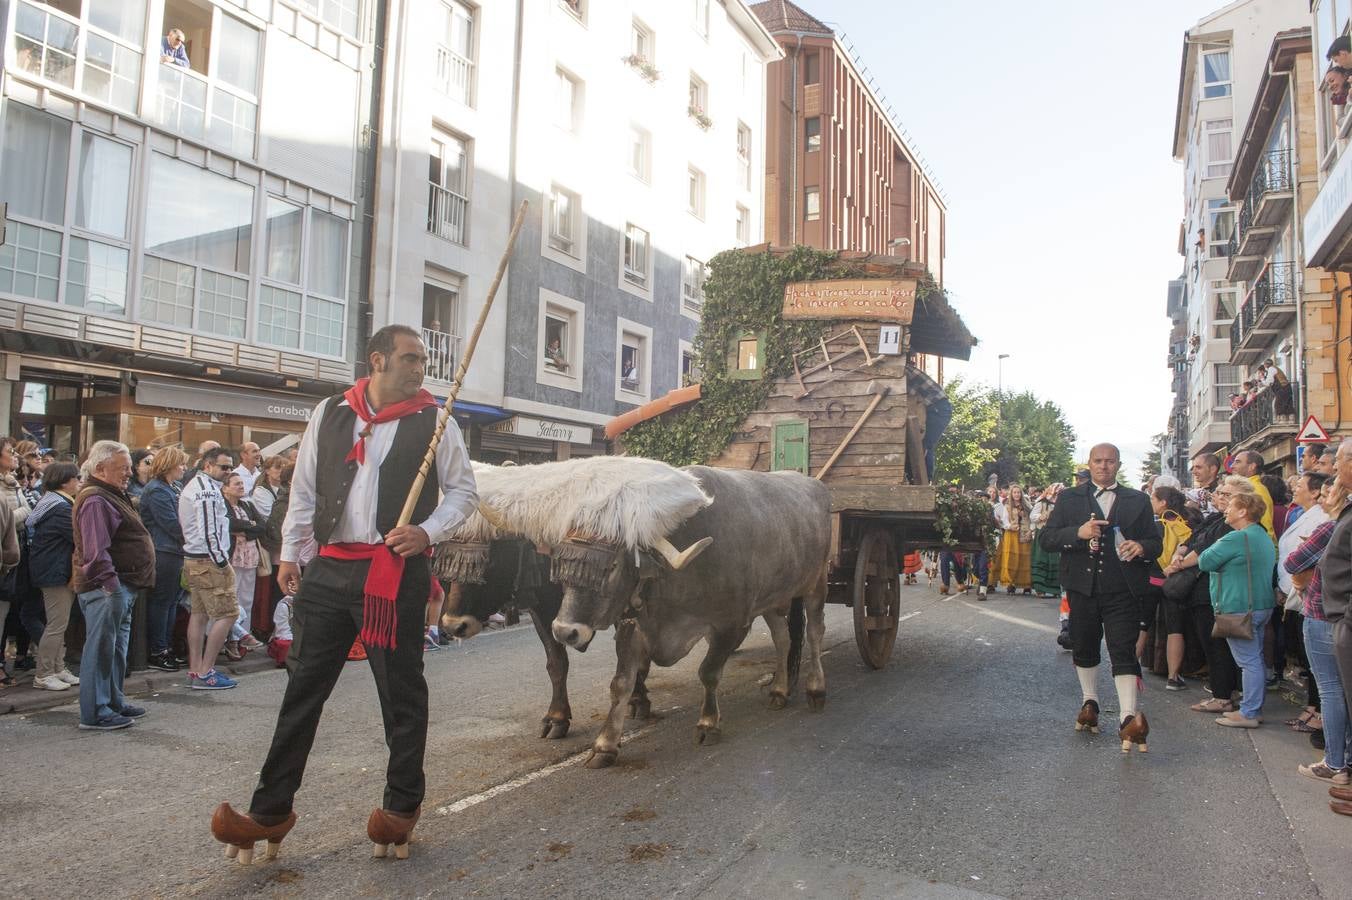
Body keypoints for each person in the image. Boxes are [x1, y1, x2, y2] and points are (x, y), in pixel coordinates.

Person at [210, 325, 478, 862]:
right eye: (408, 358)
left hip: (394, 572)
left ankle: (401, 806)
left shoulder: (436, 420)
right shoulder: (331, 411)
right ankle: (270, 811)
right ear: (376, 361)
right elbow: (304, 488)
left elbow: (464, 492)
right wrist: (291, 553)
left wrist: (428, 531)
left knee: (400, 692)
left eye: (422, 359)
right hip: (330, 571)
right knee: (302, 690)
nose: (419, 367)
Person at [1039, 443, 1161, 751]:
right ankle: (1089, 703)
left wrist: (1141, 547)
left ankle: (1127, 720)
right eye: (1098, 461)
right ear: (1089, 464)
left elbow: (1155, 542)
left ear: (1118, 465)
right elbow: (1048, 538)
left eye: (1109, 461)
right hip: (1082, 588)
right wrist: (1076, 534)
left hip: (1123, 589)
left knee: (1123, 649)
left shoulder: (1138, 500)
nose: (1103, 466)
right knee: (1085, 645)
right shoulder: (1068, 498)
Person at [72, 441, 155, 731]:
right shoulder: (96, 499)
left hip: (121, 584)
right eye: (123, 469)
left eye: (129, 468)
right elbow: (96, 552)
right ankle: (96, 711)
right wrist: (111, 586)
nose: (129, 474)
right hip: (108, 586)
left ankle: (113, 701)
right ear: (100, 468)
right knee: (102, 648)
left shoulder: (109, 494)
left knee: (116, 648)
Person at [1284, 477, 1348, 784]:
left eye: (1328, 491)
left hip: (1322, 612)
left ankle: (1335, 763)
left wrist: (1307, 552)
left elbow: (1293, 562)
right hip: (1338, 615)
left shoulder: (1331, 528)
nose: (1323, 498)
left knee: (1331, 690)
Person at [1198, 490, 1277, 729]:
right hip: (1261, 605)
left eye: (1231, 505)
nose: (1226, 510)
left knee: (1248, 661)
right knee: (1256, 658)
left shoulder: (1236, 538)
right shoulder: (1261, 535)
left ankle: (1250, 712)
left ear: (1243, 511)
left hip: (1238, 606)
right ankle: (1251, 708)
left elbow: (1204, 561)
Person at [179, 446, 239, 689]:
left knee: (200, 614)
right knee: (228, 613)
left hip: (196, 558)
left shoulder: (200, 487)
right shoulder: (207, 491)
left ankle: (196, 670)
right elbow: (209, 530)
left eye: (230, 467)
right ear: (208, 466)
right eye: (224, 467)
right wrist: (222, 562)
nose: (228, 472)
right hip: (208, 559)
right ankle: (205, 671)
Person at [26, 462, 80, 692]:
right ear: (65, 481)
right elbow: (78, 536)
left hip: (55, 570)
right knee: (57, 624)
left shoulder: (53, 503)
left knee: (60, 622)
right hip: (54, 572)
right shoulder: (60, 508)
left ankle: (58, 668)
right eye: (76, 477)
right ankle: (44, 673)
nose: (79, 481)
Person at [139, 446, 189, 672]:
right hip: (164, 551)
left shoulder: (174, 487)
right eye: (181, 464)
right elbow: (169, 523)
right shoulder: (157, 490)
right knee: (162, 601)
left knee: (171, 602)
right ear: (169, 464)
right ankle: (158, 649)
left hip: (176, 551)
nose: (184, 468)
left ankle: (166, 646)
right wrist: (191, 534)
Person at [222, 472, 266, 656]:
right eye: (236, 484)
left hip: (250, 558)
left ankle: (244, 640)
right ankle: (230, 639)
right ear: (225, 488)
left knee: (246, 599)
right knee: (233, 599)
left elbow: (262, 526)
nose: (241, 486)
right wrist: (249, 525)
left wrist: (245, 530)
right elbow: (228, 524)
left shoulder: (247, 505)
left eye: (242, 483)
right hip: (233, 557)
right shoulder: (223, 506)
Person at [994, 484, 1033, 594]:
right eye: (1014, 492)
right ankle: (1011, 583)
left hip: (1024, 534)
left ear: (1021, 494)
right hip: (1011, 534)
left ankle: (1026, 584)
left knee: (1025, 560)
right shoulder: (1007, 506)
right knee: (1011, 559)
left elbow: (1032, 520)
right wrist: (1009, 526)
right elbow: (1003, 520)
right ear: (1011, 494)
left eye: (1018, 492)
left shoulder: (1027, 506)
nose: (1016, 494)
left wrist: (1030, 531)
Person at [1230, 450, 1276, 542]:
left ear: (1252, 466)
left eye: (1238, 462)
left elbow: (1266, 525)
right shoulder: (1249, 488)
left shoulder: (1255, 490)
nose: (1232, 466)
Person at [1030, 483, 1061, 597]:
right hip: (1042, 533)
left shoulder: (1060, 505)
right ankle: (1040, 588)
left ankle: (1055, 589)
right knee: (1041, 559)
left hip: (1055, 534)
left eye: (1058, 493)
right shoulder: (1041, 503)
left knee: (1054, 561)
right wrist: (1041, 517)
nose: (1055, 495)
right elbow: (1032, 516)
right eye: (1054, 492)